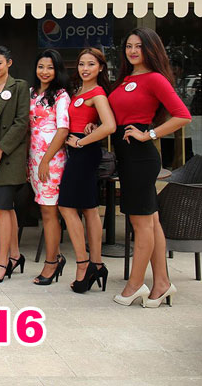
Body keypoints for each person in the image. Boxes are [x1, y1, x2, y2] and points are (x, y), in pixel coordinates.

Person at [109, 28, 191, 307]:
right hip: (126, 156)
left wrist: (150, 134)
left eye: (139, 46)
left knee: (140, 222)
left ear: (151, 49)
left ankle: (134, 286)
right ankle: (162, 283)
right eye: (129, 46)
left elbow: (183, 116)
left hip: (141, 157)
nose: (133, 51)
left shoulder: (155, 78)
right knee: (151, 222)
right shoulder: (126, 79)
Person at [59, 48, 116, 292]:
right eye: (81, 63)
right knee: (90, 208)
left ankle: (83, 264)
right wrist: (91, 125)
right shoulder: (79, 91)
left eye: (91, 64)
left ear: (100, 67)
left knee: (66, 206)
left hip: (84, 152)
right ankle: (97, 264)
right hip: (80, 152)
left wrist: (81, 142)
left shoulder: (98, 93)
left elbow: (110, 126)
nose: (85, 68)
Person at [0, 46, 30, 283]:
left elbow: (21, 123)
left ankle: (2, 262)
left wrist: (2, 149)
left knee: (1, 207)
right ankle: (15, 255)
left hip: (9, 156)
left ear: (9, 63)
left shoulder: (19, 86)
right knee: (5, 208)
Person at [27, 50, 70, 286]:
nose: (44, 72)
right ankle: (57, 256)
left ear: (57, 70)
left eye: (50, 67)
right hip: (34, 160)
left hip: (51, 161)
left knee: (49, 212)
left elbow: (63, 130)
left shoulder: (61, 96)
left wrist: (45, 160)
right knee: (45, 210)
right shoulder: (32, 93)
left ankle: (52, 262)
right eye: (41, 66)